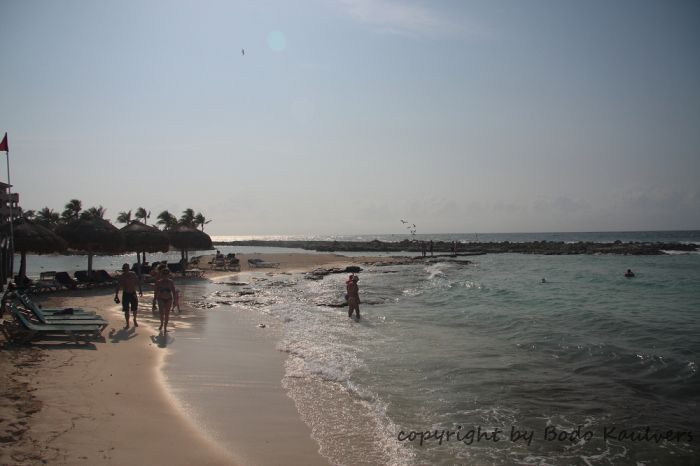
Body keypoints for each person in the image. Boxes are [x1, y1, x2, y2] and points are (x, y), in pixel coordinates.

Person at [115, 263, 142, 329]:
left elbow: (138, 282)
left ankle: (134, 319)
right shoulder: (122, 276)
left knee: (134, 309)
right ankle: (127, 324)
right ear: (123, 269)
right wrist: (116, 295)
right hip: (126, 294)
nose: (125, 269)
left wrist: (140, 290)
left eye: (127, 268)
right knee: (126, 310)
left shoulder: (133, 274)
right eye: (124, 268)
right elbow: (118, 286)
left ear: (129, 268)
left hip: (133, 293)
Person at [153, 268, 176, 333]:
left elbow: (174, 292)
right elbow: (156, 292)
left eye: (166, 274)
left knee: (167, 314)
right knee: (161, 313)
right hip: (160, 299)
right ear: (161, 275)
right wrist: (154, 300)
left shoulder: (171, 282)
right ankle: (161, 323)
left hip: (169, 299)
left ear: (168, 275)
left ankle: (165, 327)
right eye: (164, 274)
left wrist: (175, 300)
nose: (165, 276)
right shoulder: (158, 282)